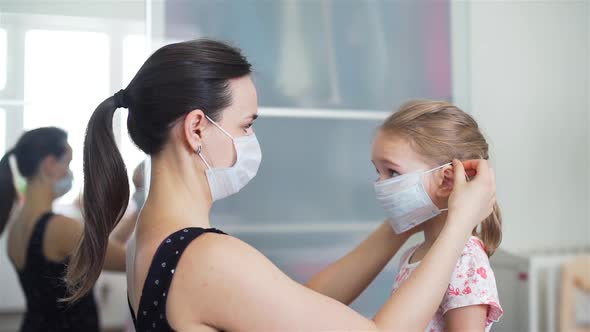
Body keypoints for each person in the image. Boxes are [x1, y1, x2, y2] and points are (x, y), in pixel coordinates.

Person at [66, 39, 496, 331]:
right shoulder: (205, 255)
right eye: (246, 125)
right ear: (197, 128)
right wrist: (460, 222)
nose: (253, 141)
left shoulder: (153, 237)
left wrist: (402, 217)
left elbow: (292, 303)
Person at [373, 100, 504, 331]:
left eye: (392, 172)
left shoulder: (467, 260)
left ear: (447, 179)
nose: (379, 184)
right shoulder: (412, 255)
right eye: (378, 171)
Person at [0, 127, 134, 332]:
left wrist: (136, 213)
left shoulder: (16, 228)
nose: (70, 173)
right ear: (49, 165)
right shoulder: (60, 228)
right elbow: (128, 259)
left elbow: (102, 249)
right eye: (68, 163)